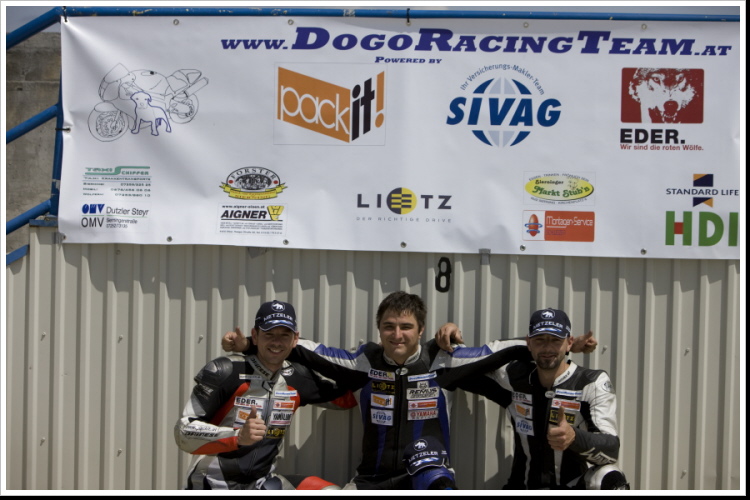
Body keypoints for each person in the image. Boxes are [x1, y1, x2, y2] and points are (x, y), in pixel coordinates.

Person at [223, 291, 595, 489]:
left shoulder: (443, 360)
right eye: (389, 326)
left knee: (436, 480)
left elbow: (504, 349)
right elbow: (304, 347)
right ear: (379, 329)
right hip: (370, 481)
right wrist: (250, 346)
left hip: (428, 477)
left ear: (421, 330)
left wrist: (563, 347)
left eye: (405, 327)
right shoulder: (363, 361)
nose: (397, 335)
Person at [436, 308, 629, 490]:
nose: (547, 347)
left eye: (555, 340)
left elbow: (611, 450)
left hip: (572, 486)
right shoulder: (513, 377)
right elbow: (450, 368)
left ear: (569, 343)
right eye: (540, 340)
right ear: (528, 343)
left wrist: (574, 437)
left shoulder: (591, 383)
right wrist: (450, 339)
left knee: (610, 476)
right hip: (522, 487)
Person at [174, 300, 356, 490]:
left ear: (295, 339)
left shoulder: (297, 378)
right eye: (269, 334)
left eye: (284, 335)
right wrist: (237, 436)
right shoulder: (225, 371)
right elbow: (183, 431)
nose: (276, 342)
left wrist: (371, 365)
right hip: (211, 482)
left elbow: (347, 400)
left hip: (262, 483)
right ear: (255, 335)